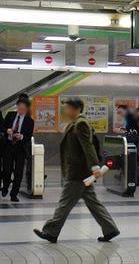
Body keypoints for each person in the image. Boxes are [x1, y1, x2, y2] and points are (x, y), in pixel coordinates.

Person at [33, 98, 119, 243]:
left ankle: (51, 232)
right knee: (93, 203)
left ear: (77, 109)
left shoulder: (81, 124)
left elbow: (88, 146)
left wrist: (95, 166)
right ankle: (110, 229)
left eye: (68, 108)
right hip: (80, 172)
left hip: (78, 172)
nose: (66, 111)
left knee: (64, 203)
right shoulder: (74, 124)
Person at [2, 96, 34, 202]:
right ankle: (5, 186)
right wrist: (7, 130)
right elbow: (2, 127)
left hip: (21, 149)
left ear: (27, 109)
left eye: (23, 109)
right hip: (9, 146)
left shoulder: (29, 121)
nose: (21, 110)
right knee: (7, 170)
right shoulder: (10, 115)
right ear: (17, 106)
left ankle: (13, 194)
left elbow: (28, 136)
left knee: (18, 172)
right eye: (19, 108)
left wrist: (22, 136)